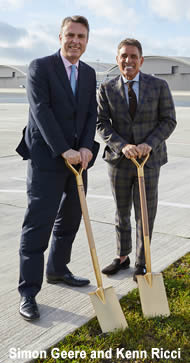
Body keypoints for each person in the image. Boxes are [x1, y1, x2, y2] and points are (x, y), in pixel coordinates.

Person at [16, 15, 98, 321]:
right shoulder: (40, 67)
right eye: (70, 35)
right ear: (60, 37)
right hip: (48, 160)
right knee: (38, 227)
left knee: (71, 219)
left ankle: (57, 269)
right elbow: (41, 111)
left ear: (87, 41)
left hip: (80, 161)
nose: (75, 40)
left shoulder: (89, 73)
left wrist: (87, 147)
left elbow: (91, 111)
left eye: (81, 36)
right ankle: (28, 292)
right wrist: (63, 150)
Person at [97, 38, 176, 282]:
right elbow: (101, 123)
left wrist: (148, 144)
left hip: (148, 162)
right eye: (123, 56)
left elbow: (168, 120)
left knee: (145, 213)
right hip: (119, 162)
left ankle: (142, 262)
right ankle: (122, 256)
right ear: (117, 59)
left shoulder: (159, 86)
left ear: (141, 60)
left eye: (133, 56)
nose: (128, 61)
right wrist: (124, 146)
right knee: (121, 212)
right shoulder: (107, 88)